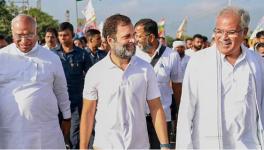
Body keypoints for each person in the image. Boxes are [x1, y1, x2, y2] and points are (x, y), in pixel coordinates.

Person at [176, 6, 264, 149]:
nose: (223, 37)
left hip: (248, 145)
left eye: (230, 32)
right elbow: (186, 111)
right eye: (218, 31)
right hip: (207, 145)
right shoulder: (199, 62)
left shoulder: (256, 62)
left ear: (245, 32)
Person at [80, 14, 169, 149]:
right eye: (126, 37)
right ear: (110, 40)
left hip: (139, 146)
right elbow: (88, 113)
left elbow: (156, 108)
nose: (133, 40)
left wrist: (165, 145)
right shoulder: (95, 72)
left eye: (133, 35)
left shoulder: (145, 69)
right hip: (105, 146)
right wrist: (83, 147)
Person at [0, 14, 71, 149]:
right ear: (12, 33)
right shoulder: (2, 57)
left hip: (45, 133)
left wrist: (67, 117)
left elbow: (61, 89)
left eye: (29, 35)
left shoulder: (52, 58)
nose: (24, 40)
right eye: (19, 35)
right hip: (9, 133)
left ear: (36, 33)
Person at [134, 18, 182, 149]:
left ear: (151, 37)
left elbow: (177, 87)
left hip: (161, 118)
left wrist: (179, 114)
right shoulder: (133, 55)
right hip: (137, 118)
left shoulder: (172, 56)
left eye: (138, 36)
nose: (135, 39)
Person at [53, 22, 92, 149]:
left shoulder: (82, 54)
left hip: (76, 100)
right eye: (60, 35)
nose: (63, 38)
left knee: (74, 132)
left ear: (73, 35)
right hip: (56, 101)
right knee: (58, 131)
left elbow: (91, 75)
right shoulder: (52, 55)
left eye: (66, 35)